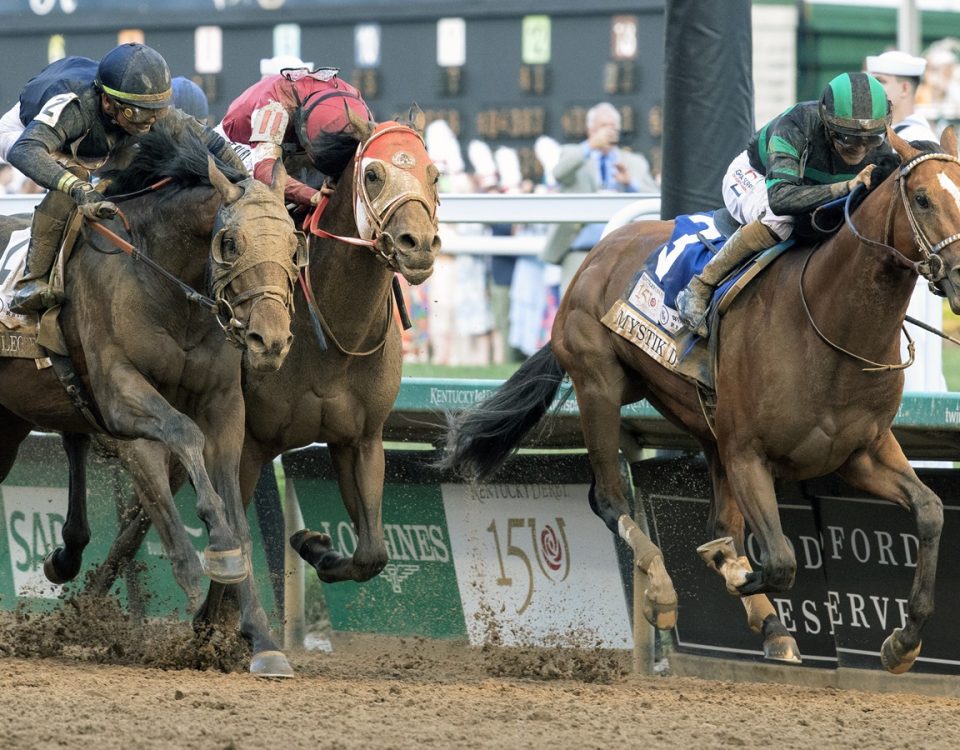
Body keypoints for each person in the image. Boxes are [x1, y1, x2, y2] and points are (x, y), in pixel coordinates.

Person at [4, 42, 247, 314]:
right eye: (141, 112)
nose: (151, 121)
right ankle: (33, 279)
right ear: (108, 102)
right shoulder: (75, 108)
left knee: (152, 157)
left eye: (158, 111)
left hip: (99, 140)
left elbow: (213, 143)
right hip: (27, 135)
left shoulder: (147, 110)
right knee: (76, 176)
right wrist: (80, 190)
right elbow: (26, 149)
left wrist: (248, 184)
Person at [675, 72, 891, 338]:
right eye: (847, 138)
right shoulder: (797, 124)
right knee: (780, 222)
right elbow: (781, 199)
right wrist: (845, 187)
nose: (860, 148)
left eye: (871, 139)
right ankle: (699, 287)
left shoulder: (879, 144)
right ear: (827, 123)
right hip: (758, 177)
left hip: (809, 188)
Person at [540, 102, 659, 293]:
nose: (609, 132)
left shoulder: (633, 162)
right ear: (591, 129)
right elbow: (559, 172)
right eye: (604, 126)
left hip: (622, 253)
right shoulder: (573, 154)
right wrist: (591, 146)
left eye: (613, 127)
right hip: (579, 252)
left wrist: (630, 184)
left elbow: (655, 202)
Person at [217, 66, 371, 211]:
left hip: (292, 142)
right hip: (238, 142)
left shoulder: (352, 95)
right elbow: (264, 171)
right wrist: (312, 196)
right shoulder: (277, 103)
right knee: (254, 186)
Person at [865, 50, 937, 142]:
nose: (872, 88)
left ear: (905, 89)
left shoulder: (920, 138)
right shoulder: (879, 132)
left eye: (881, 81)